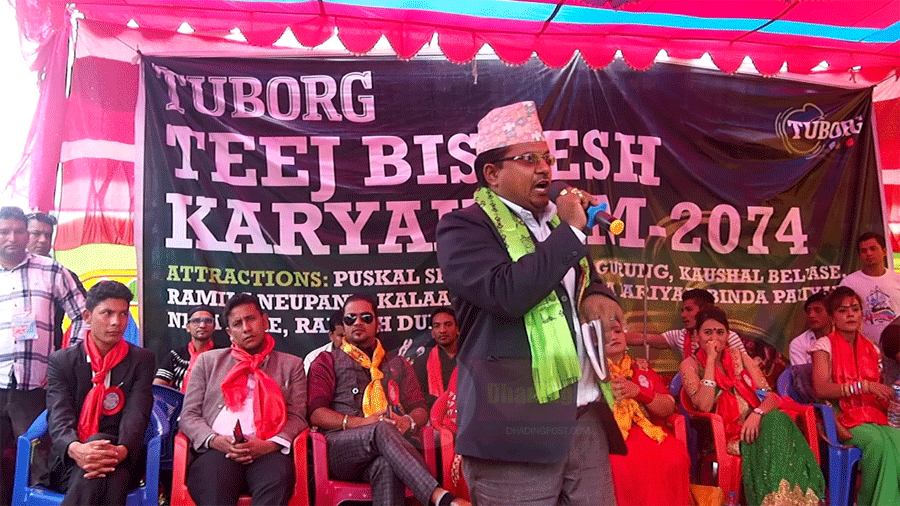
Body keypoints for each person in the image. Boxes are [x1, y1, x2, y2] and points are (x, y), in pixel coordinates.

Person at [435, 101, 624, 505]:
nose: (544, 169)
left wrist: (598, 294)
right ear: (492, 173)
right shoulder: (463, 228)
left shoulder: (555, 222)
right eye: (528, 159)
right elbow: (508, 293)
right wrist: (572, 231)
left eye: (547, 159)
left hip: (584, 420)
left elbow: (581, 278)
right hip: (513, 432)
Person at [307, 293, 468, 506]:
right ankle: (439, 496)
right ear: (344, 326)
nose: (357, 323)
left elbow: (420, 408)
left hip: (391, 450)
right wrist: (363, 423)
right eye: (350, 318)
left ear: (378, 324)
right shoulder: (326, 361)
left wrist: (408, 422)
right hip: (342, 451)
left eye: (366, 317)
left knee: (386, 465)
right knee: (380, 428)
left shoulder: (397, 363)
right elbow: (317, 414)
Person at [681, 305, 825, 506]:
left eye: (720, 332)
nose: (714, 338)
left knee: (777, 419)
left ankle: (787, 500)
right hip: (724, 436)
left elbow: (770, 397)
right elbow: (704, 405)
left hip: (756, 425)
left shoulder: (739, 357)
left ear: (727, 335)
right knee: (777, 429)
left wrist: (757, 414)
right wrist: (711, 360)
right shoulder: (691, 364)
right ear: (697, 336)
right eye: (708, 332)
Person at [179, 293, 306, 506]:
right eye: (237, 324)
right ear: (230, 333)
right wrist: (215, 440)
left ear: (265, 321)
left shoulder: (291, 365)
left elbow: (298, 416)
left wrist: (269, 445)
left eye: (251, 319)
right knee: (212, 481)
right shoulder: (208, 362)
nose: (246, 328)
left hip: (267, 450)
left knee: (278, 478)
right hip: (218, 450)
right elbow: (189, 415)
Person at [0, 206, 87, 504]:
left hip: (36, 386)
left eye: (19, 231)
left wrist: (64, 362)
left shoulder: (52, 270)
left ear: (26, 234)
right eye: (4, 232)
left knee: (41, 464)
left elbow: (84, 316)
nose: (12, 238)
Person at [45, 280, 154, 506]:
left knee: (101, 461)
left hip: (122, 455)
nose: (116, 322)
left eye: (123, 314)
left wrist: (121, 450)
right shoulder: (62, 361)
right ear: (87, 316)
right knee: (106, 475)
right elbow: (58, 414)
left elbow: (137, 412)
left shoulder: (141, 360)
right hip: (71, 459)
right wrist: (76, 449)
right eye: (107, 313)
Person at [811, 286, 900, 506]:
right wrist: (863, 387)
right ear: (832, 317)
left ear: (862, 314)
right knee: (876, 443)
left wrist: (885, 395)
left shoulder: (871, 348)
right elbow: (820, 389)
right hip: (841, 418)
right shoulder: (824, 345)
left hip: (873, 416)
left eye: (855, 309)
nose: (850, 314)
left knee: (897, 440)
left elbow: (877, 388)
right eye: (842, 310)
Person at [605, 303, 690, 506]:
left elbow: (668, 407)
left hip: (647, 430)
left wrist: (639, 392)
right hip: (609, 434)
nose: (614, 336)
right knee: (620, 461)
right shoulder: (591, 371)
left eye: (617, 331)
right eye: (605, 333)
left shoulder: (641, 368)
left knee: (674, 455)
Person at [25, 212, 86, 351]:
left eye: (48, 235)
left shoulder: (61, 274)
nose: (43, 240)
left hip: (49, 355)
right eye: (36, 234)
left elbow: (85, 316)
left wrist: (71, 354)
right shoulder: (6, 272)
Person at [627, 288, 747, 360]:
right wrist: (617, 337)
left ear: (704, 310)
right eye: (682, 310)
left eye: (689, 310)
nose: (683, 315)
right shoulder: (681, 335)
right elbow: (643, 338)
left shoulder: (729, 337)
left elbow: (746, 369)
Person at [840, 232, 900, 348]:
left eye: (873, 249)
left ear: (884, 251)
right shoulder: (849, 283)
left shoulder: (897, 279)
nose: (869, 253)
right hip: (864, 348)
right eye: (863, 251)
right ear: (859, 256)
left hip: (897, 349)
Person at [154, 305, 219, 392]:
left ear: (214, 327)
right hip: (179, 400)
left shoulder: (222, 355)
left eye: (208, 321)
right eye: (196, 321)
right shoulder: (175, 356)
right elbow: (158, 388)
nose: (202, 325)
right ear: (188, 327)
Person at [413, 307, 459, 408]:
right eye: (437, 326)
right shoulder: (422, 362)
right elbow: (417, 397)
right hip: (434, 414)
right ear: (432, 333)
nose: (442, 330)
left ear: (457, 329)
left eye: (448, 324)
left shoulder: (471, 358)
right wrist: (444, 404)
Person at [789, 291, 832, 366]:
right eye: (809, 311)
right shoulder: (799, 343)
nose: (811, 315)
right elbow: (802, 373)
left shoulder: (843, 337)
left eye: (818, 310)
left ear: (831, 314)